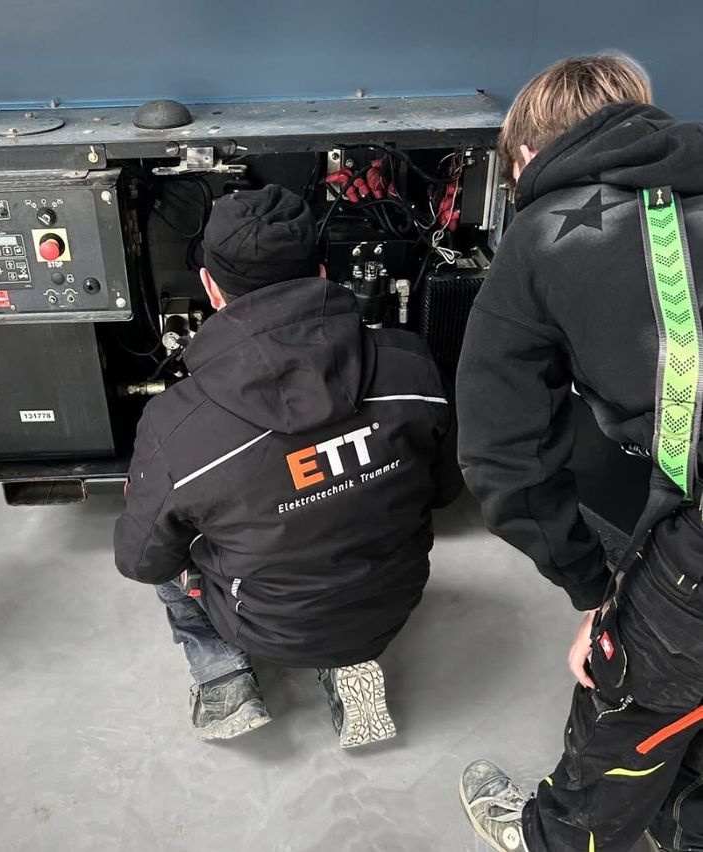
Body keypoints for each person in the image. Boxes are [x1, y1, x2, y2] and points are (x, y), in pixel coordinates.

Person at [456, 55, 703, 851]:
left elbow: (502, 458)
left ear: (525, 155)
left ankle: (556, 839)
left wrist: (599, 592)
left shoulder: (539, 237)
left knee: (631, 698)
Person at [115, 184, 460, 747]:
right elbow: (444, 492)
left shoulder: (175, 424)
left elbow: (140, 562)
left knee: (168, 551)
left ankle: (223, 674)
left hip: (266, 627)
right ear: (322, 270)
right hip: (389, 605)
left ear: (211, 288)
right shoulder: (411, 365)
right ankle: (350, 661)